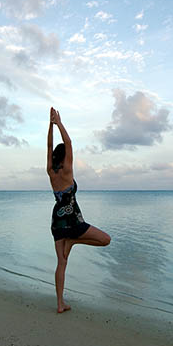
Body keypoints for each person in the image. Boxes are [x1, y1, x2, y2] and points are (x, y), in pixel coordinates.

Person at [47, 107, 111, 313]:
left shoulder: (51, 171)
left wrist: (51, 125)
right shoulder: (67, 170)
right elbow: (69, 143)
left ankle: (60, 304)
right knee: (106, 240)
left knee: (61, 263)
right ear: (65, 157)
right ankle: (74, 240)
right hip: (73, 221)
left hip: (57, 222)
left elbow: (49, 145)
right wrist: (58, 123)